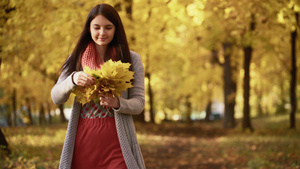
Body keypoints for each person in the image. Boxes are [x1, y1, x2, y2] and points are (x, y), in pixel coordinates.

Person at [51, 4, 146, 169]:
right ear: (89, 29)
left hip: (118, 142)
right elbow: (56, 97)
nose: (102, 33)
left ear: (116, 29)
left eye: (108, 27)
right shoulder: (75, 59)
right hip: (83, 141)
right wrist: (72, 79)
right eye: (97, 27)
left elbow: (139, 104)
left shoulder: (132, 59)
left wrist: (118, 103)